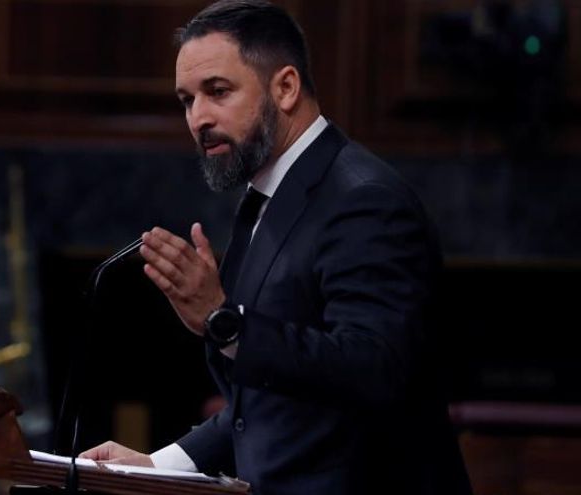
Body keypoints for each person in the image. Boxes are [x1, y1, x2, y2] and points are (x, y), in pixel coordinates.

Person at [81, 1, 472, 493]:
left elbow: (375, 370)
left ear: (285, 87)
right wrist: (159, 465)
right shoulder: (268, 195)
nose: (198, 118)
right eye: (186, 100)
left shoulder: (363, 199)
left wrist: (223, 321)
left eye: (217, 91)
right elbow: (271, 403)